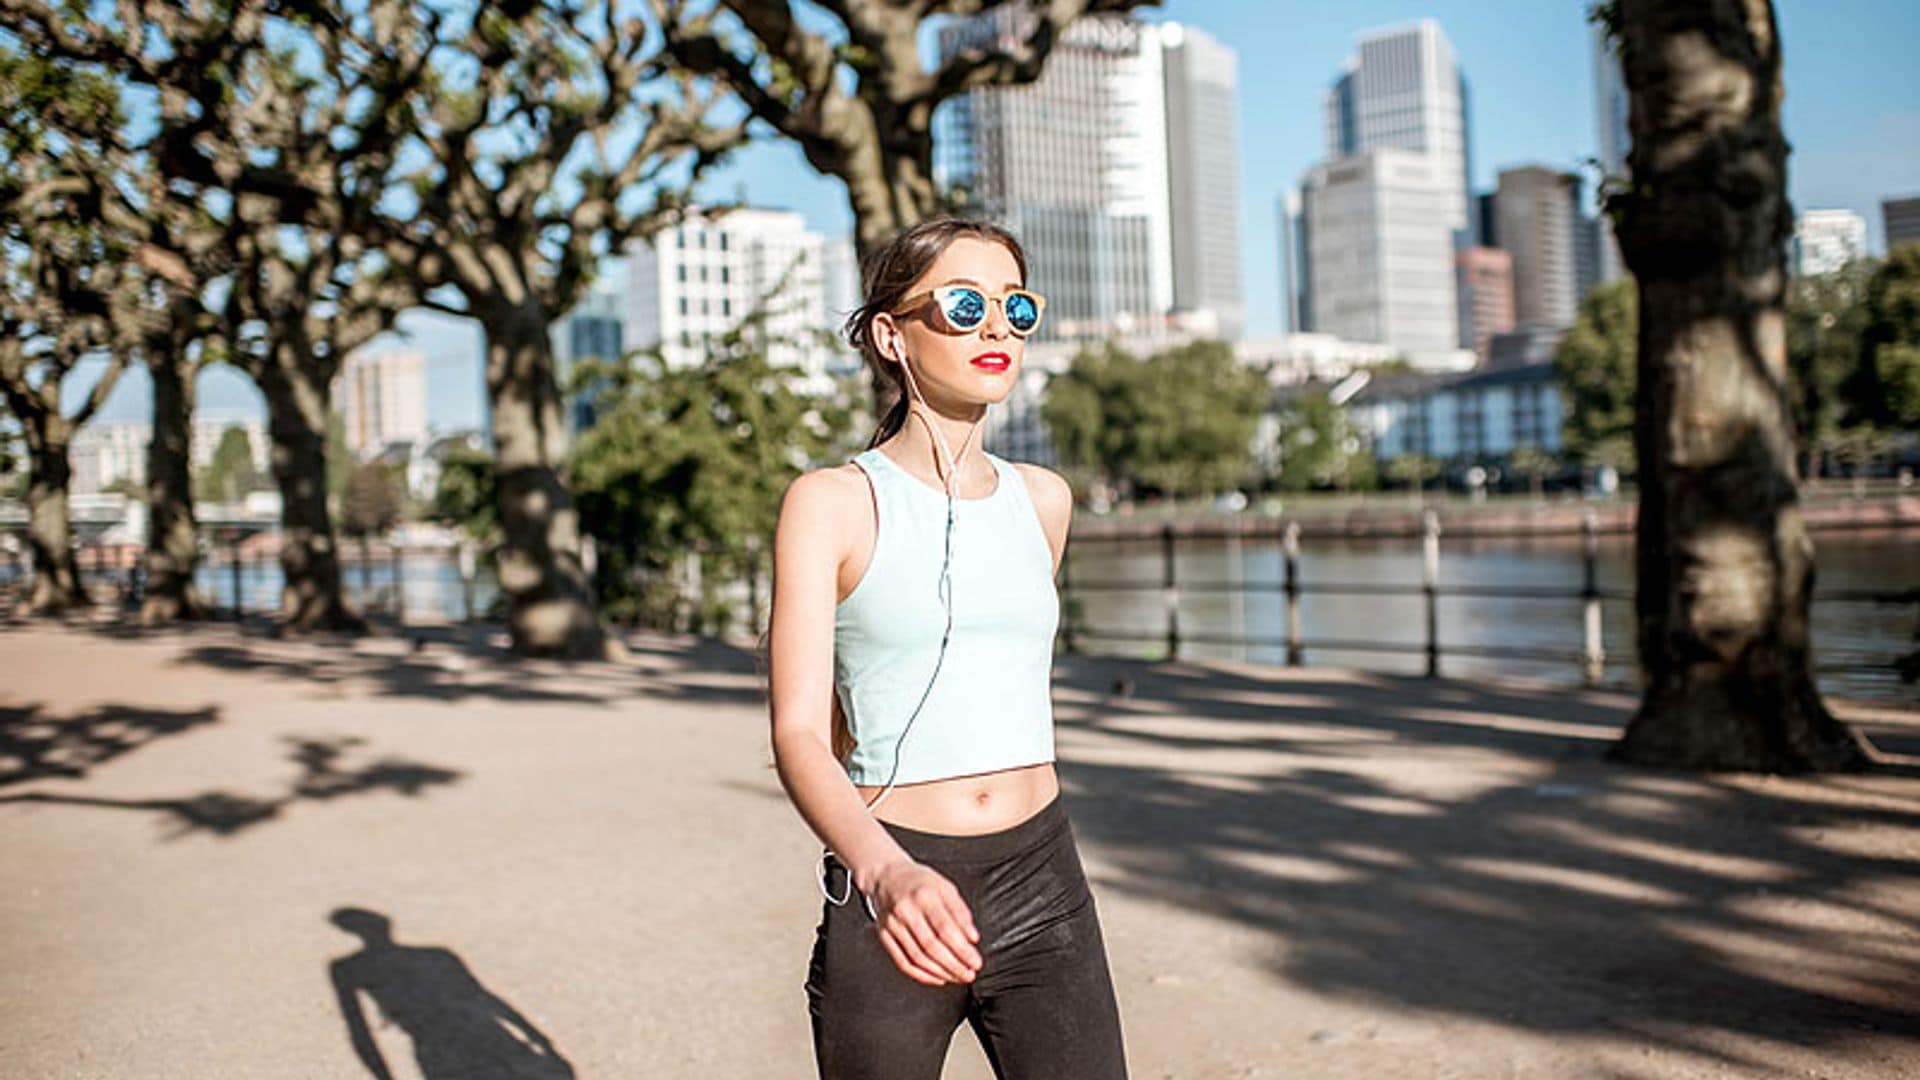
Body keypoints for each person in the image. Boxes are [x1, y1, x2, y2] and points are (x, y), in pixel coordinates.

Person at [764, 218, 1129, 1079]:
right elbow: (799, 737)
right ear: (892, 335)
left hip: (1044, 876)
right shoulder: (831, 502)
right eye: (964, 305)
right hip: (894, 884)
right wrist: (887, 874)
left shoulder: (1044, 501)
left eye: (1015, 306)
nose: (996, 327)